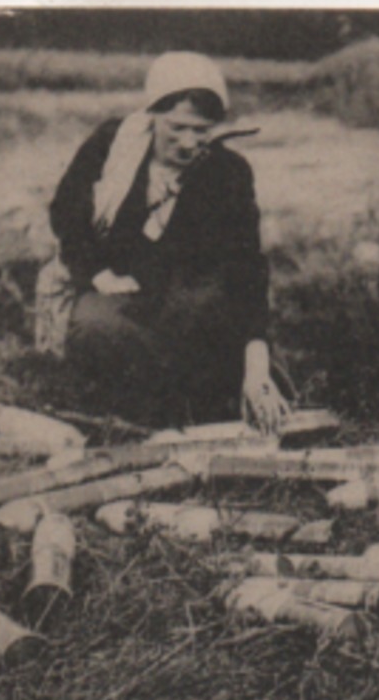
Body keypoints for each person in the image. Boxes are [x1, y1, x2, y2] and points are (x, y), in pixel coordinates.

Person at [37, 51, 288, 431]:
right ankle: (125, 416)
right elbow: (66, 211)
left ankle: (204, 409)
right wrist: (98, 273)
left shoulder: (228, 173)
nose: (188, 143)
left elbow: (247, 267)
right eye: (177, 128)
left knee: (212, 325)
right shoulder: (111, 146)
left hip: (187, 298)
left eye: (201, 131)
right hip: (120, 290)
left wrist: (256, 365)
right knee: (94, 325)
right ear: (152, 114)